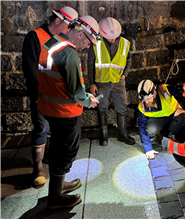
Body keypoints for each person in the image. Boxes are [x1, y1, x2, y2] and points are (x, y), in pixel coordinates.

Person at [38, 15, 100, 209]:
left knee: (57, 146)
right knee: (64, 151)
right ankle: (55, 198)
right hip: (65, 111)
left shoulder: (53, 41)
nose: (88, 47)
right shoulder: (69, 53)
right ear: (81, 34)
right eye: (89, 42)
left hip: (49, 106)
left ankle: (58, 185)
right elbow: (75, 92)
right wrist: (89, 100)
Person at [22, 6, 78, 187]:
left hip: (58, 98)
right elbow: (31, 68)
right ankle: (37, 169)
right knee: (41, 128)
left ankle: (57, 178)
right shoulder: (35, 36)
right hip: (42, 95)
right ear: (58, 20)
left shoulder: (62, 40)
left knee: (59, 135)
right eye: (69, 25)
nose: (70, 30)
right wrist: (39, 94)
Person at [87, 17, 135, 146]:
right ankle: (104, 135)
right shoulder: (95, 43)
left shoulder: (125, 43)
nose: (113, 39)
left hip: (119, 82)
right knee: (102, 108)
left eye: (114, 36)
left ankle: (122, 134)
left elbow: (128, 60)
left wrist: (124, 75)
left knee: (122, 107)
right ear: (103, 34)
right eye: (110, 36)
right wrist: (91, 83)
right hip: (101, 83)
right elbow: (90, 63)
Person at [137, 79, 185, 159]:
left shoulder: (164, 90)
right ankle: (158, 136)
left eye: (149, 98)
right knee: (151, 130)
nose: (147, 102)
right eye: (144, 99)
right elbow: (142, 127)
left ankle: (171, 134)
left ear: (154, 93)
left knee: (183, 117)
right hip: (158, 120)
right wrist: (148, 149)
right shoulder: (142, 107)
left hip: (173, 115)